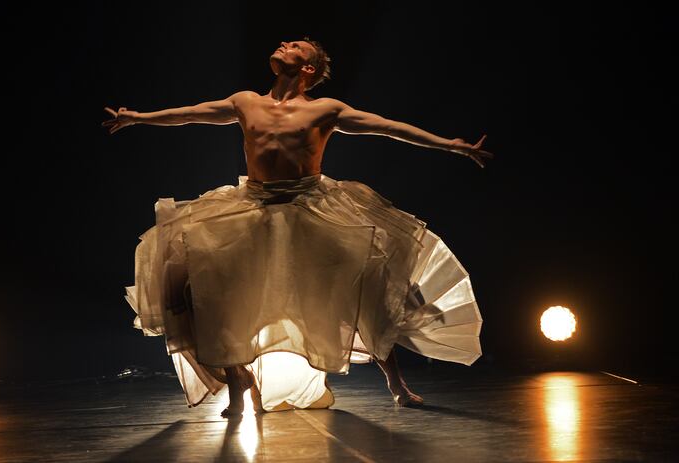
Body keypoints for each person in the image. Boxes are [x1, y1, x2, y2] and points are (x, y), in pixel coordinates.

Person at [103, 37, 493, 417]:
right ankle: (239, 381)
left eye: (295, 47)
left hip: (310, 208)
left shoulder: (326, 109)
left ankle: (397, 383)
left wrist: (450, 145)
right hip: (253, 206)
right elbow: (192, 112)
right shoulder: (246, 101)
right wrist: (139, 117)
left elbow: (387, 126)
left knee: (359, 290)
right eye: (285, 43)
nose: (283, 45)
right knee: (194, 285)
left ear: (308, 68)